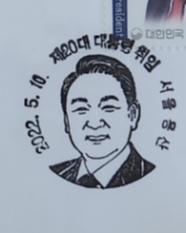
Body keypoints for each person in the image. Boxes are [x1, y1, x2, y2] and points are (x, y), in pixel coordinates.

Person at [49, 54, 155, 189]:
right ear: (66, 121)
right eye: (81, 109)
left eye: (108, 108)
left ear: (133, 115)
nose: (94, 124)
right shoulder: (55, 175)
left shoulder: (151, 175)